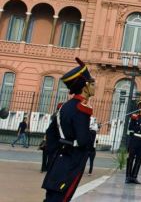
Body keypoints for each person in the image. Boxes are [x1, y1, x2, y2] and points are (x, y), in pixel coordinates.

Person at [41, 57, 97, 202]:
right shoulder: (82, 108)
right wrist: (92, 131)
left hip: (59, 160)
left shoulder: (65, 106)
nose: (94, 86)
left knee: (51, 198)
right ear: (85, 86)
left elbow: (50, 133)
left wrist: (57, 152)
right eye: (92, 83)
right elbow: (83, 141)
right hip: (72, 161)